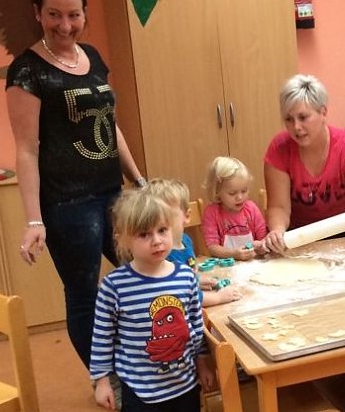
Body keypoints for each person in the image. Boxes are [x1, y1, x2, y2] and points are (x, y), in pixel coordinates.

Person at [5, 0, 145, 370]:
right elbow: (26, 148)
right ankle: (104, 377)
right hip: (66, 205)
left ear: (85, 14)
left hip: (111, 193)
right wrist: (34, 219)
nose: (65, 26)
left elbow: (109, 124)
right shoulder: (27, 70)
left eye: (73, 15)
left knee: (144, 272)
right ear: (38, 12)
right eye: (54, 14)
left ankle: (144, 363)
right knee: (85, 295)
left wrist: (138, 179)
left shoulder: (94, 57)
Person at [90, 189, 214, 411]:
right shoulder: (113, 286)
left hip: (184, 386)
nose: (157, 241)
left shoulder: (186, 277)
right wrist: (101, 381)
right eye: (144, 234)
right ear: (123, 240)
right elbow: (102, 339)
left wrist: (203, 363)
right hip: (139, 392)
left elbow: (196, 326)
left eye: (162, 230)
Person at [262, 74, 345, 253]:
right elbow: (279, 207)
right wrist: (277, 231)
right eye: (288, 119)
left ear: (323, 112)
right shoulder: (279, 149)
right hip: (296, 241)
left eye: (303, 117)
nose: (296, 127)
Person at [146, 178, 242, 306]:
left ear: (186, 216)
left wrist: (196, 281)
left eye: (168, 215)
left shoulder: (186, 240)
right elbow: (180, 296)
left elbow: (184, 280)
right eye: (153, 217)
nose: (161, 221)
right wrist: (218, 297)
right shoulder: (160, 255)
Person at [202, 156, 269, 260]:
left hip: (253, 264)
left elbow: (263, 237)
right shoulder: (212, 213)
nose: (240, 197)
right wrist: (234, 254)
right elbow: (212, 247)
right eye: (232, 193)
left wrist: (261, 246)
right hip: (226, 267)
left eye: (244, 190)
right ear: (217, 192)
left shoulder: (251, 209)